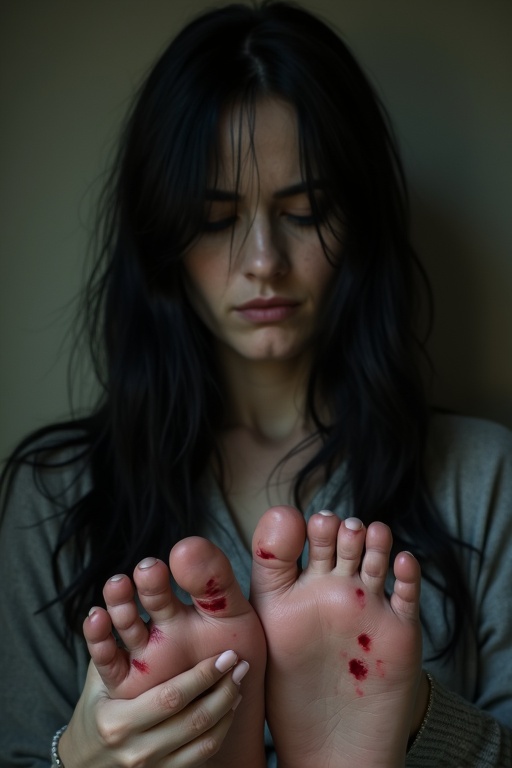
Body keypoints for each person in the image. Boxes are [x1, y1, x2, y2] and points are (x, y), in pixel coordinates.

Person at [0, 2, 511, 766]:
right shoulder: (55, 497)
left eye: (305, 210)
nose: (263, 258)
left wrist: (411, 716)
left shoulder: (480, 474)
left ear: (360, 221)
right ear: (161, 238)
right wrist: (79, 756)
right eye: (215, 218)